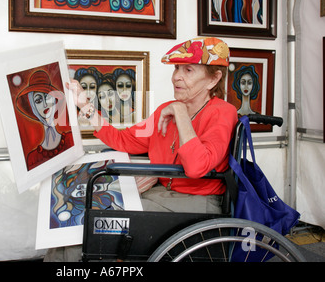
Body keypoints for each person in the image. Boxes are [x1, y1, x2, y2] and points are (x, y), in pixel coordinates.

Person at [44, 37, 238, 261]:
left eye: (188, 70)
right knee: (79, 219)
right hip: (163, 194)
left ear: (213, 79)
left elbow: (196, 167)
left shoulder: (222, 112)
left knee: (93, 224)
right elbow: (123, 140)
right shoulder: (165, 110)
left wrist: (180, 113)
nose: (176, 76)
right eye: (176, 68)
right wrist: (85, 105)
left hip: (196, 201)